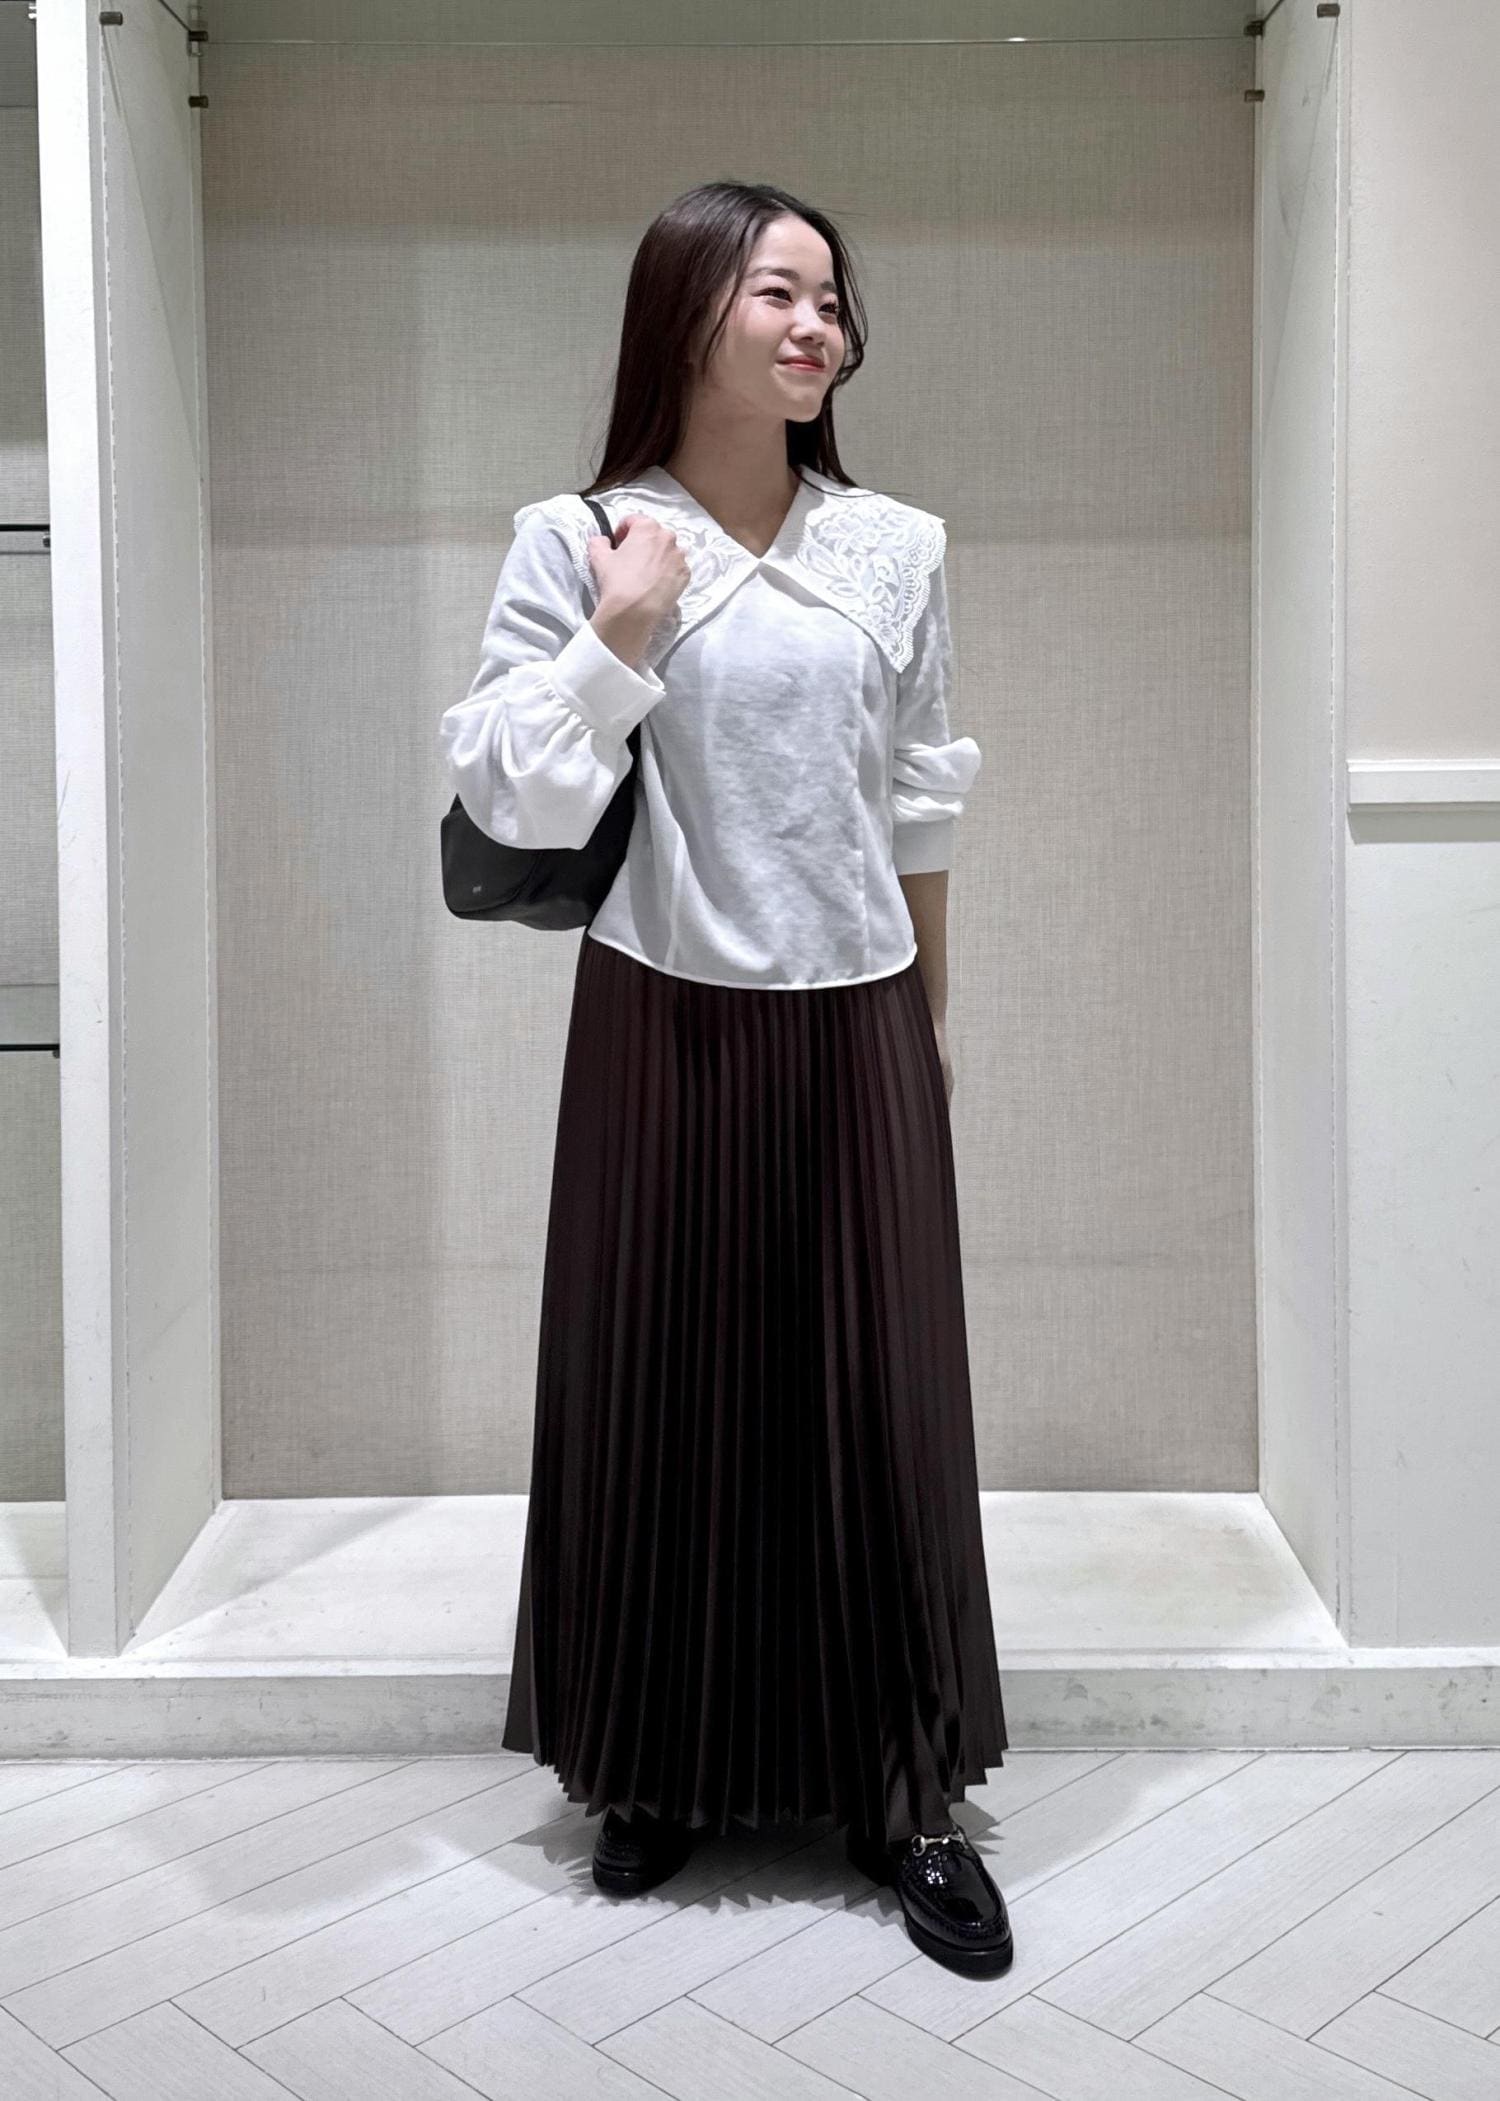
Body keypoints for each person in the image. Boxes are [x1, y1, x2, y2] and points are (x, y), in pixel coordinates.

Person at [439, 181, 1012, 1981]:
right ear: (686, 309)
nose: (816, 324)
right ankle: (657, 1764)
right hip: (659, 1021)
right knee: (664, 1391)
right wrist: (618, 628)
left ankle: (905, 1793)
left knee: (875, 1406)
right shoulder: (580, 538)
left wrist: (932, 1020)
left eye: (831, 298)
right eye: (778, 290)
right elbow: (510, 794)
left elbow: (919, 794)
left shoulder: (894, 547)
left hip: (858, 1022)